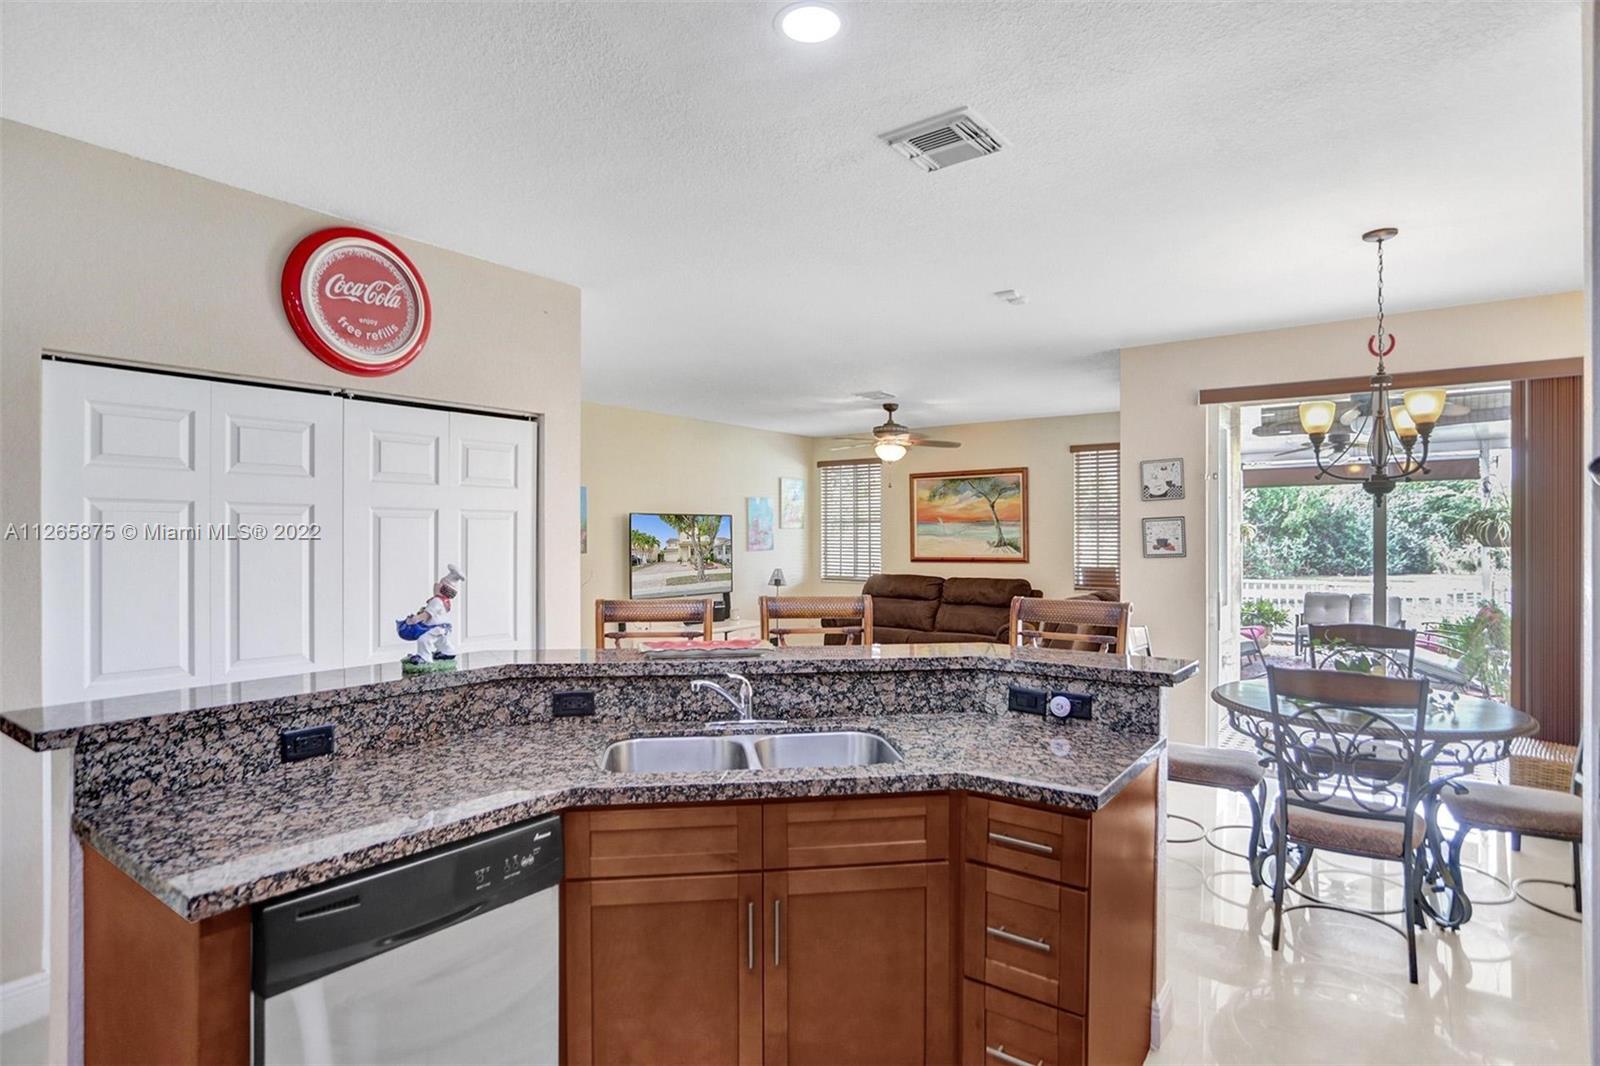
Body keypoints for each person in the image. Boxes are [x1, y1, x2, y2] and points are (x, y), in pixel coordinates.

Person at [397, 565, 465, 668]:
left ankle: (424, 658)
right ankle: (448, 652)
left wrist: (416, 619)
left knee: (423, 639)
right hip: (444, 628)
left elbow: (427, 614)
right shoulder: (444, 601)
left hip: (436, 628)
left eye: (439, 584)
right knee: (441, 640)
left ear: (442, 588)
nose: (436, 585)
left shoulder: (437, 601)